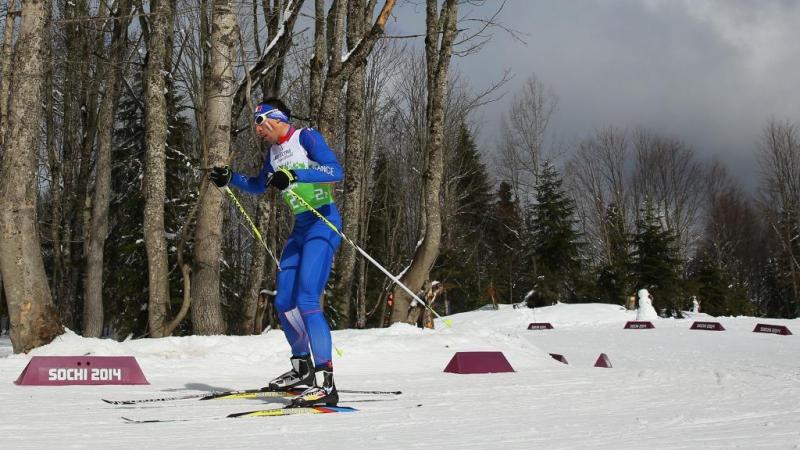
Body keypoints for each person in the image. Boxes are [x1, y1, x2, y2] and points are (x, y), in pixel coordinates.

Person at [209, 98, 343, 407]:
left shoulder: (305, 137)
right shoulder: (273, 153)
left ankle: (326, 383)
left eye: (258, 124)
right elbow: (258, 185)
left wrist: (297, 175)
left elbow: (336, 171)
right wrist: (231, 179)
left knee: (308, 299)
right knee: (283, 301)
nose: (257, 131)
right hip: (301, 227)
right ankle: (303, 370)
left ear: (274, 117)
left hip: (323, 222)